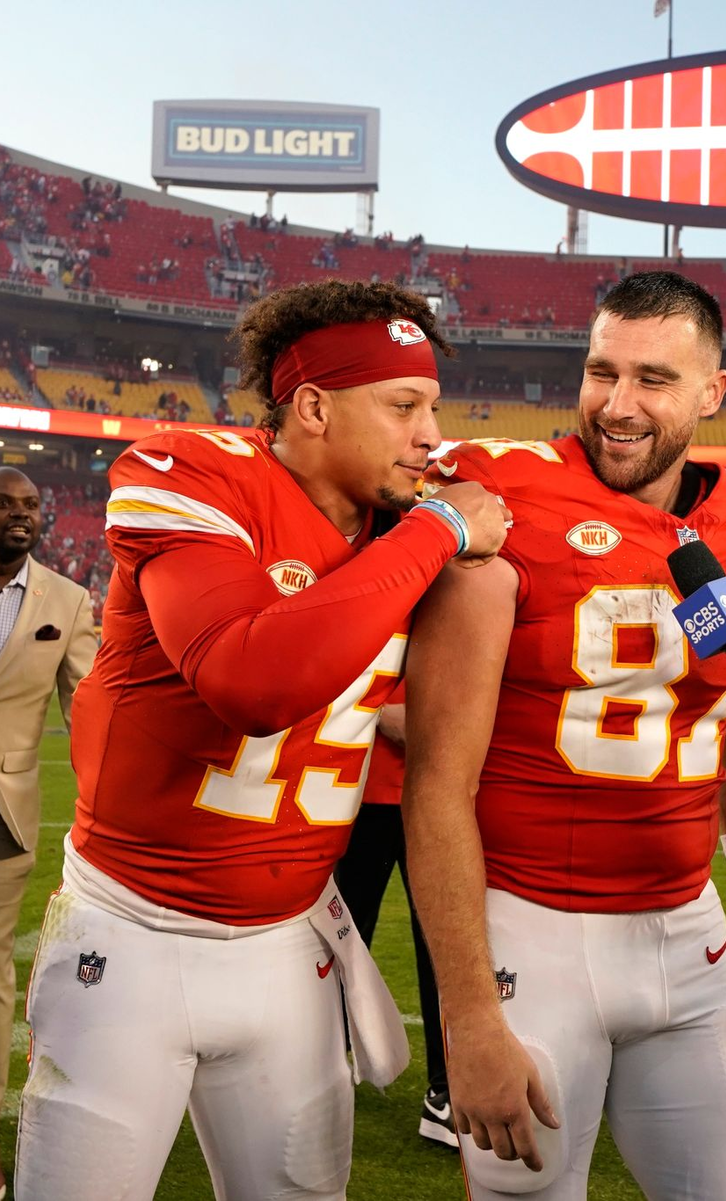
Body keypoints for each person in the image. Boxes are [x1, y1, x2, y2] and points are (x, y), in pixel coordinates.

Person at [16, 280, 510, 1200]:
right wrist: (440, 529)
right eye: (404, 406)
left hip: (292, 941)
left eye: (433, 408)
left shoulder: (407, 517)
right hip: (132, 932)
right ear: (314, 407)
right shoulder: (192, 473)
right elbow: (252, 683)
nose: (430, 435)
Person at [403, 271, 726, 1201]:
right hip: (532, 930)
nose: (618, 405)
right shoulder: (502, 495)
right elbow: (437, 783)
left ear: (712, 392)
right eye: (602, 372)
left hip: (689, 932)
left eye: (653, 379)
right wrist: (469, 1018)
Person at [0, 468, 96, 1199]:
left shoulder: (67, 601)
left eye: (31, 506)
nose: (21, 515)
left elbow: (91, 712)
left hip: (3, 818)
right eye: (6, 504)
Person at [334, 689, 455, 1149]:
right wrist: (376, 704)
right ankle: (321, 1064)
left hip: (442, 787)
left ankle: (448, 1088)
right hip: (364, 785)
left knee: (447, 944)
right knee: (340, 936)